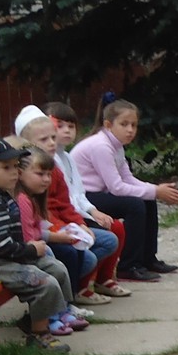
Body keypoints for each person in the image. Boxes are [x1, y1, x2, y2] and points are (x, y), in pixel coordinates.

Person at [70, 96, 178, 282]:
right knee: (134, 205)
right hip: (83, 198)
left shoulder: (116, 145)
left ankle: (147, 259)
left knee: (147, 201)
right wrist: (156, 191)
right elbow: (117, 188)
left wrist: (155, 190)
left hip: (98, 193)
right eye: (124, 124)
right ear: (108, 124)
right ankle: (128, 266)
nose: (130, 130)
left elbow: (127, 178)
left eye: (134, 125)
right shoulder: (101, 146)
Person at [17, 110, 121, 306]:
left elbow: (66, 203)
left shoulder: (54, 168)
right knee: (80, 255)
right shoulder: (30, 178)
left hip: (57, 228)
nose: (51, 143)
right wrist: (61, 232)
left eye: (53, 138)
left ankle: (78, 289)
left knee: (109, 238)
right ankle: (67, 299)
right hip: (44, 236)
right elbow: (38, 220)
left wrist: (79, 224)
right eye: (44, 139)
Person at [0, 138, 73, 352]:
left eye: (16, 166)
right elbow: (0, 246)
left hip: (9, 257)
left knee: (57, 269)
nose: (14, 173)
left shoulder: (2, 194)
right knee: (45, 283)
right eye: (6, 167)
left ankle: (39, 318)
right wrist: (30, 250)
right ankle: (39, 335)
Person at [43, 102, 129, 298]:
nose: (66, 131)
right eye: (60, 125)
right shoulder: (50, 161)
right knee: (110, 232)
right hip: (63, 219)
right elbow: (61, 203)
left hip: (74, 213)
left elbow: (78, 194)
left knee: (115, 226)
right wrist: (79, 222)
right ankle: (82, 286)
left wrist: (93, 211)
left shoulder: (67, 157)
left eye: (71, 126)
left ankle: (103, 279)